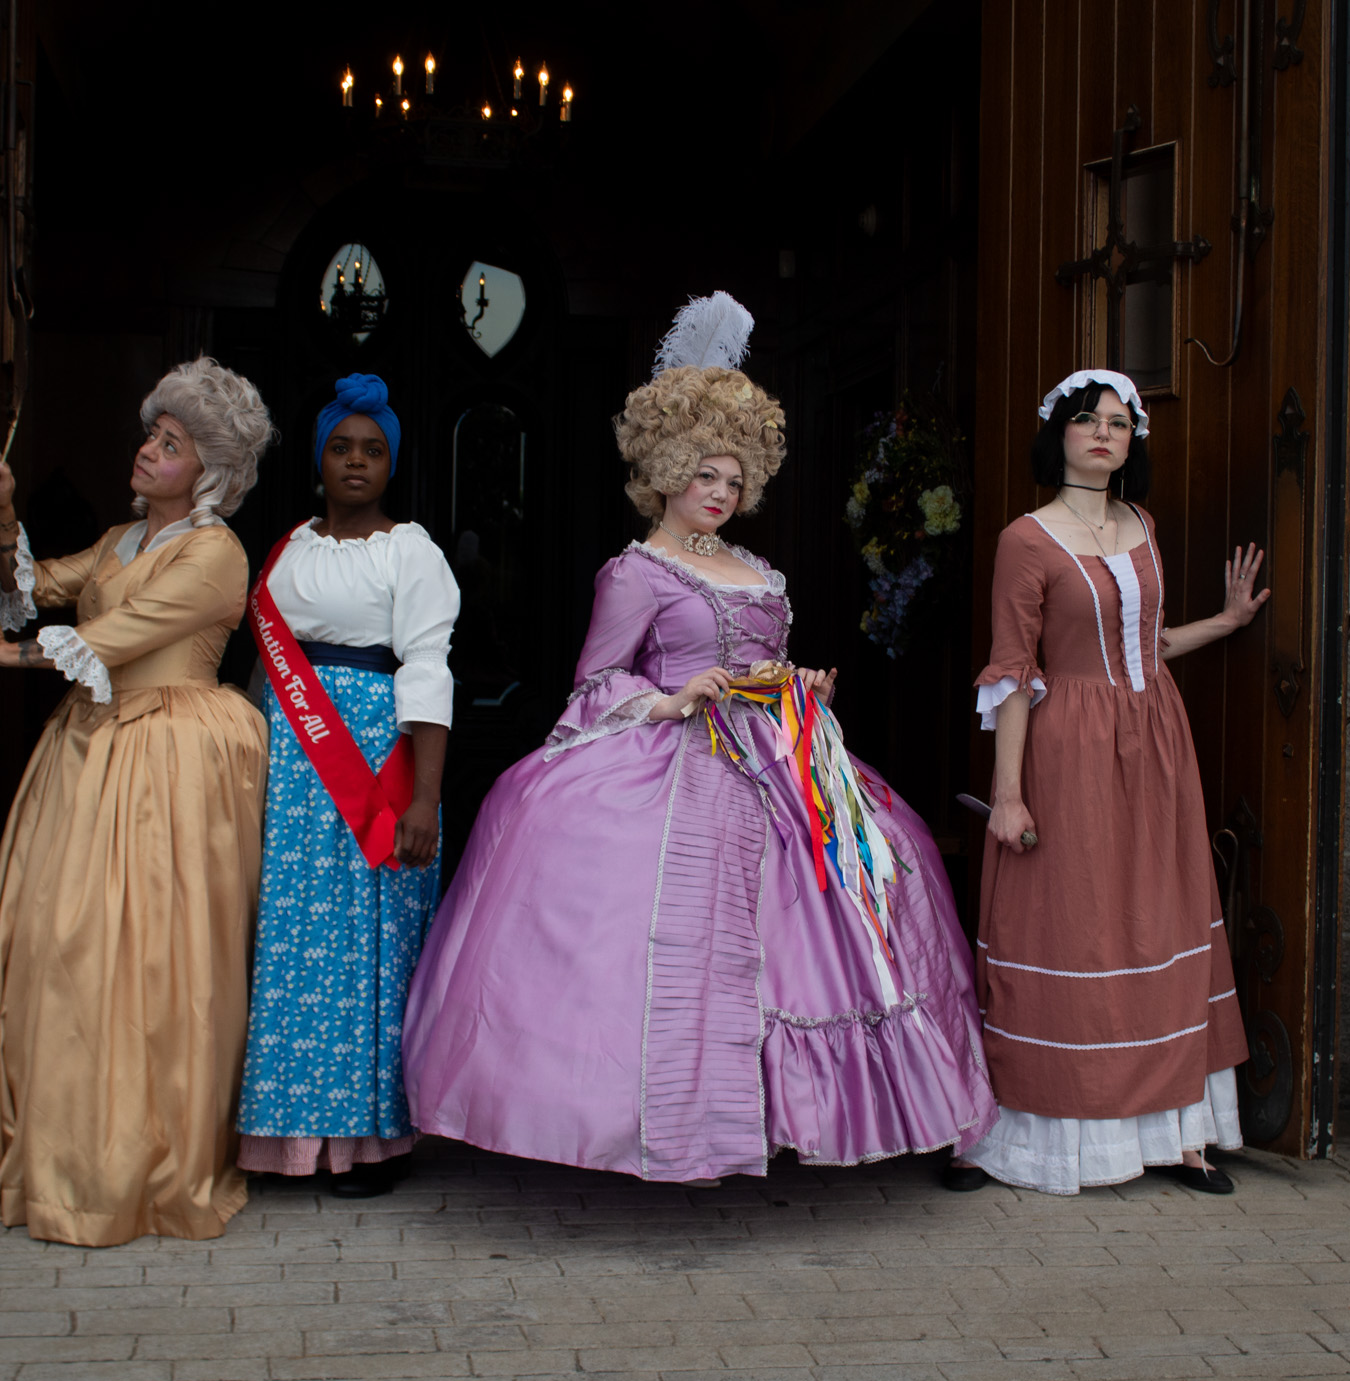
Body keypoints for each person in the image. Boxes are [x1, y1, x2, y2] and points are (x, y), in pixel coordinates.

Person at [403, 293, 998, 1184]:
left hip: (786, 756)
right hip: (679, 753)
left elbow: (772, 659)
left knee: (876, 872)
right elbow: (596, 682)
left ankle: (824, 1114)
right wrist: (672, 696)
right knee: (686, 930)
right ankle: (689, 1118)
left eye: (733, 480)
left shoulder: (755, 567)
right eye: (703, 476)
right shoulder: (635, 572)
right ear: (665, 472)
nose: (720, 494)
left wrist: (805, 685)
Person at [0, 357, 275, 1245]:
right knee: (63, 940)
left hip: (171, 755)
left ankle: (141, 1154)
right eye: (152, 435)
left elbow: (115, 637)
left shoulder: (214, 552)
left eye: (170, 444)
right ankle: (62, 1147)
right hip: (93, 746)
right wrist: (4, 505)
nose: (148, 451)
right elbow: (37, 586)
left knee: (155, 956)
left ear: (207, 471)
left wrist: (11, 658)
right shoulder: (124, 541)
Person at [958, 368, 1267, 1196]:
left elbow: (1151, 642)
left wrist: (1228, 622)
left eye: (1120, 424)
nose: (1104, 433)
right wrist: (1011, 791)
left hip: (1157, 742)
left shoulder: (1142, 522)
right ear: (1057, 432)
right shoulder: (1027, 538)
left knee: (1157, 916)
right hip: (1073, 748)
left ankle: (1180, 1131)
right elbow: (1016, 673)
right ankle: (1028, 1130)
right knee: (1075, 923)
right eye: (1088, 420)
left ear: (1133, 443)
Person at [238, 374, 460, 1199]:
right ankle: (290, 1138)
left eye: (372, 450)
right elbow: (267, 669)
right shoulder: (290, 546)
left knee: (369, 956)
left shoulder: (413, 551)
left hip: (377, 766)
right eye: (341, 447)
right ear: (319, 459)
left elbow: (430, 672)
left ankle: (373, 1145)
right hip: (296, 769)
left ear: (391, 463)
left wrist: (424, 799)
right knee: (294, 951)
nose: (356, 462)